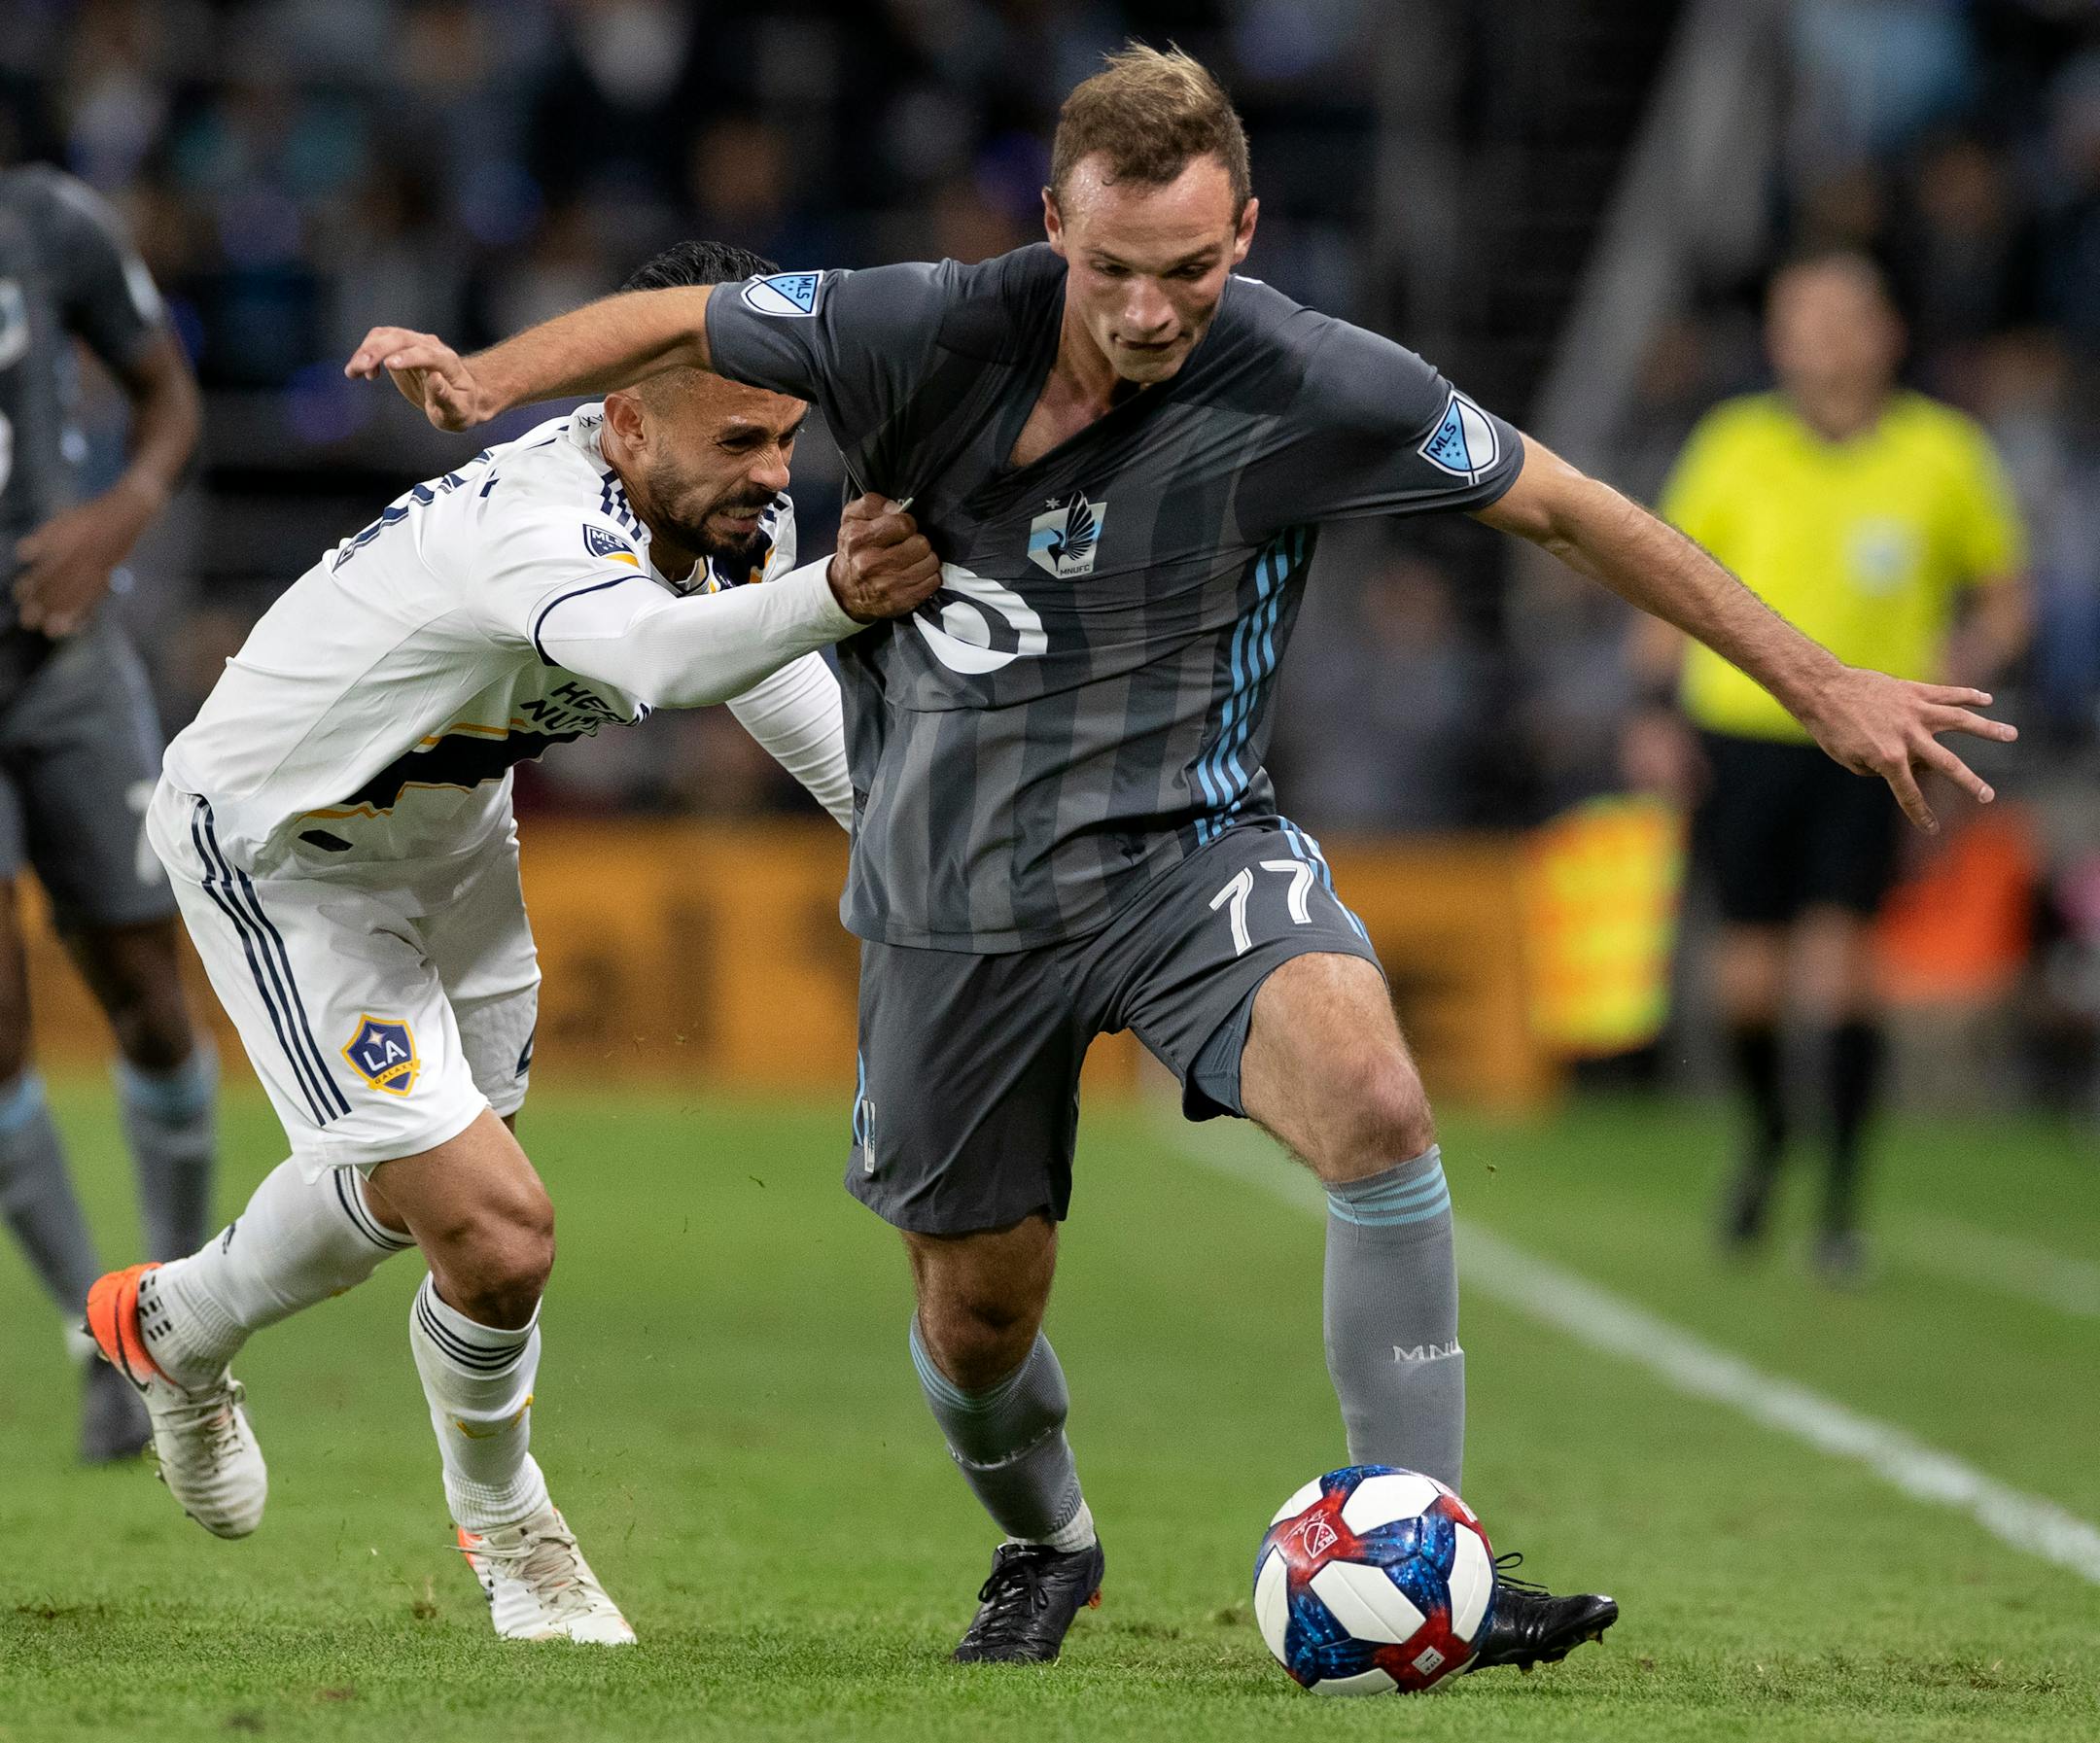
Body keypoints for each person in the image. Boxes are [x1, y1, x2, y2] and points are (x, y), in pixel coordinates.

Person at [350, 49, 2014, 1670]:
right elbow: (685, 319)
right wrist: (491, 379)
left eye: (1193, 270)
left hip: (1186, 849)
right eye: (1117, 271)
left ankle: (1432, 1551)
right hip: (951, 881)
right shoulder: (925, 323)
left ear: (1249, 233)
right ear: (1055, 229)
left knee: (1375, 1102)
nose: (1153, 310)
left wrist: (1818, 681)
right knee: (977, 1320)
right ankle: (1049, 1541)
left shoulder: (1317, 380)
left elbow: (1570, 506)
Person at [85, 241, 941, 1645]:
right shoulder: (535, 526)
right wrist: (846, 592)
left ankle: (170, 1327)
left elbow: (779, 683)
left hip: (451, 844)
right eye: (740, 439)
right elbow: (664, 660)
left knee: (417, 1202)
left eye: (789, 437)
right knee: (497, 1230)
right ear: (627, 423)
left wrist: (931, 862)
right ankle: (516, 1537)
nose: (775, 471)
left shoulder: (730, 516)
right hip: (283, 853)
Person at [1625, 251, 2029, 1283]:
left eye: (1843, 317)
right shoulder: (1735, 443)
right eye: (1801, 318)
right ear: (1776, 338)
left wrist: (1957, 670)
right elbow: (1667, 581)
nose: (1822, 339)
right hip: (1741, 732)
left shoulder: (1943, 452)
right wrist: (1652, 711)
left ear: (1888, 333)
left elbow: (2004, 600)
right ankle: (1768, 1136)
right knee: (1747, 977)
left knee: (1845, 963)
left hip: (1868, 742)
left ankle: (1842, 1202)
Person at [0, 161, 215, 1464]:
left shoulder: (47, 223)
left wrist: (119, 512)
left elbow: (168, 396)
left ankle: (178, 1315)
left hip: (64, 655)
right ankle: (103, 1336)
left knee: (147, 988)